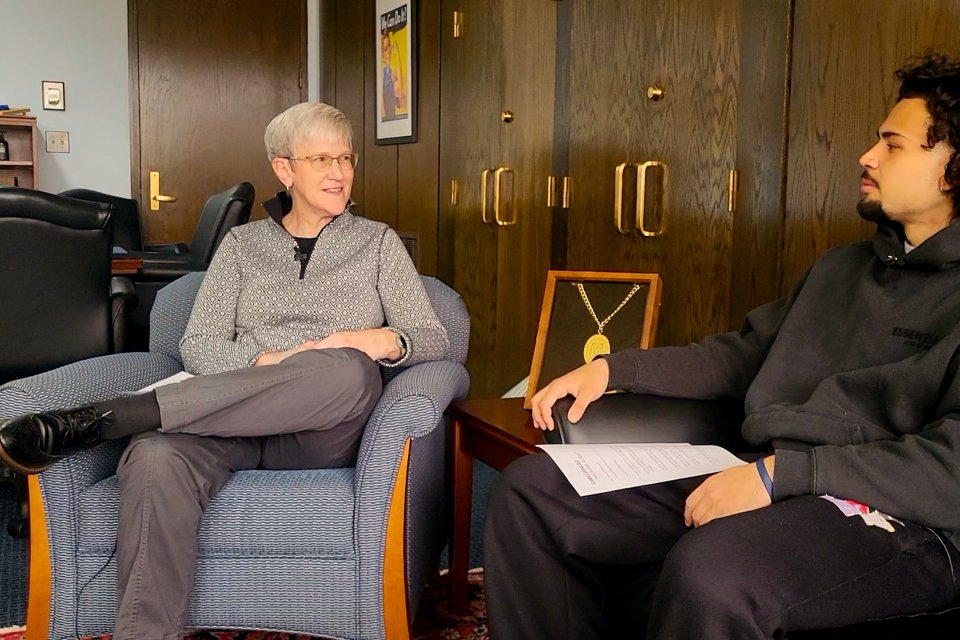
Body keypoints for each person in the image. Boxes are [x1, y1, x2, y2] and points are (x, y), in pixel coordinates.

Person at [484, 52, 960, 639]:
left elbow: (950, 466)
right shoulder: (842, 268)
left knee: (712, 570)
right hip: (770, 471)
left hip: (895, 517)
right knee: (534, 494)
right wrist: (612, 369)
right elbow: (742, 354)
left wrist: (781, 476)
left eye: (893, 145)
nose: (867, 156)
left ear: (953, 169)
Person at [0, 101, 449, 640]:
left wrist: (380, 339)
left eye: (346, 158)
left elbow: (434, 341)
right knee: (155, 455)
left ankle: (122, 416)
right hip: (227, 426)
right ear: (284, 168)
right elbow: (200, 346)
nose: (339, 172)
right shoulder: (241, 247)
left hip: (322, 431)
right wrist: (269, 362)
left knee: (349, 371)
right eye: (321, 159)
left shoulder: (377, 243)